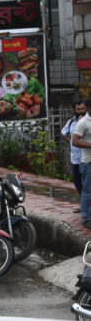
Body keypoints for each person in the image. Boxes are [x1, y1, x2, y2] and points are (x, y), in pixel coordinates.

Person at [62, 99, 86, 209]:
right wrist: (71, 142)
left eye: (83, 109)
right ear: (73, 110)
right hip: (75, 159)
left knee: (87, 184)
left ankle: (87, 207)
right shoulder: (70, 122)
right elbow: (63, 133)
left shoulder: (88, 122)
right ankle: (84, 206)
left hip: (87, 158)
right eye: (78, 109)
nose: (81, 111)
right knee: (78, 183)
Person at [72, 97, 91, 229]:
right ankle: (86, 217)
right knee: (88, 190)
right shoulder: (83, 123)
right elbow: (75, 141)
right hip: (88, 162)